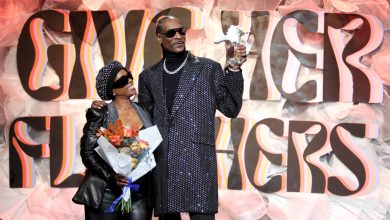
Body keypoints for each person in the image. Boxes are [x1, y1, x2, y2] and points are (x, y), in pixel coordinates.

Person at [92, 16, 246, 220]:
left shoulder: (208, 68)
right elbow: (142, 118)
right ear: (159, 37)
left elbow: (231, 108)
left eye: (182, 31)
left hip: (198, 162)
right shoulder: (148, 76)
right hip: (164, 164)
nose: (179, 36)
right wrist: (106, 107)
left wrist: (234, 68)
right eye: (171, 33)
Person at [72, 61, 153, 220]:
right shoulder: (101, 113)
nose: (130, 81)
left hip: (140, 193)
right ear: (113, 90)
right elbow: (87, 153)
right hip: (106, 193)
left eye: (129, 76)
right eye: (123, 80)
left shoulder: (145, 110)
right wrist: (112, 176)